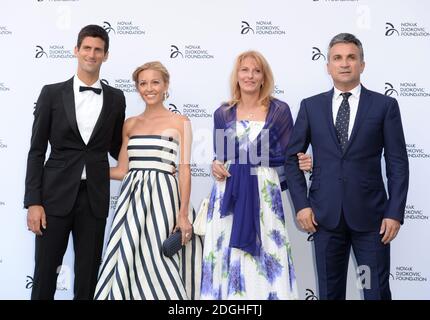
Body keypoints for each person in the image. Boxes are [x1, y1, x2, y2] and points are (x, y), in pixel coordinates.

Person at [285, 33, 409, 300]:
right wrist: (302, 205)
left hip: (372, 219)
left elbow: (398, 163)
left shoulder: (385, 106)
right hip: (324, 218)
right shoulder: (311, 106)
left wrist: (395, 212)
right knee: (330, 293)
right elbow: (291, 159)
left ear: (362, 64)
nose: (344, 63)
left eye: (351, 57)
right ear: (327, 65)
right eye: (337, 58)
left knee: (375, 292)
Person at [24, 25, 126, 300]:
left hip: (93, 199)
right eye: (87, 48)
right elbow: (36, 151)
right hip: (53, 197)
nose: (92, 54)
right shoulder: (51, 94)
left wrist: (153, 155)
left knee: (88, 277)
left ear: (106, 55)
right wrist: (33, 202)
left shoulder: (117, 98)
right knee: (45, 275)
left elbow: (118, 146)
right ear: (76, 50)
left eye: (98, 50)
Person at [201, 50, 310, 300]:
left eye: (256, 71)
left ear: (264, 77)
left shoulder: (279, 111)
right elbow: (221, 156)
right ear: (236, 76)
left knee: (267, 253)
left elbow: (289, 156)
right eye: (244, 70)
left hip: (265, 196)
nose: (250, 75)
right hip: (229, 195)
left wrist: (303, 161)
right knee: (227, 254)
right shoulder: (223, 113)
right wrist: (215, 165)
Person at [94, 61, 203, 300]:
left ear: (166, 86)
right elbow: (122, 170)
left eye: (155, 82)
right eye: (143, 83)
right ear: (137, 88)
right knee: (128, 261)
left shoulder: (180, 122)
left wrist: (183, 214)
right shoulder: (130, 124)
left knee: (159, 262)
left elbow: (184, 169)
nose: (149, 88)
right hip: (131, 202)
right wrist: (84, 169)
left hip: (164, 200)